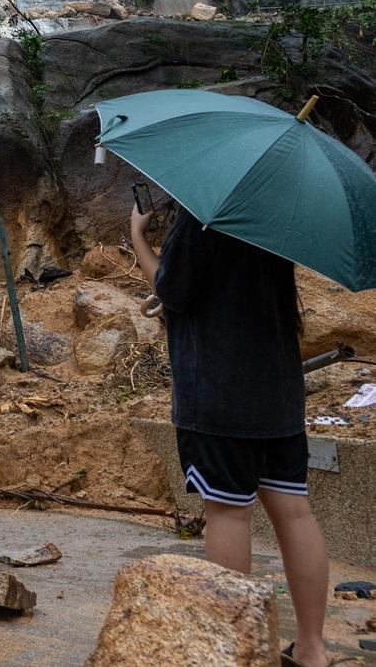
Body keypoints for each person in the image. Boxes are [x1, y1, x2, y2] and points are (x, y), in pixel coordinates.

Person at [130, 200, 329, 667]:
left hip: (218, 399)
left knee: (228, 515)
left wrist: (139, 237)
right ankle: (312, 650)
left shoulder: (203, 218)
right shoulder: (274, 217)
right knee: (296, 514)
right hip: (278, 396)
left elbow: (171, 290)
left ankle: (235, 653)